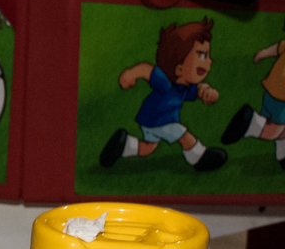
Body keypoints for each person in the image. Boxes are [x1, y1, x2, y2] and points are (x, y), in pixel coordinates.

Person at [99, 18, 226, 172]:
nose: (209, 62)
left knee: (148, 148)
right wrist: (130, 74)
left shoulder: (184, 87)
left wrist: (206, 92)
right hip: (161, 119)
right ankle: (199, 158)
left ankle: (123, 145)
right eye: (202, 56)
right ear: (179, 69)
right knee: (184, 135)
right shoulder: (165, 83)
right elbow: (148, 70)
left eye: (207, 56)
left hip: (149, 120)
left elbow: (198, 90)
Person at [220, 18, 285, 169]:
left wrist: (262, 53)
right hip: (282, 98)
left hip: (270, 92)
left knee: (279, 126)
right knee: (273, 131)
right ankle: (250, 124)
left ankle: (282, 155)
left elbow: (277, 48)